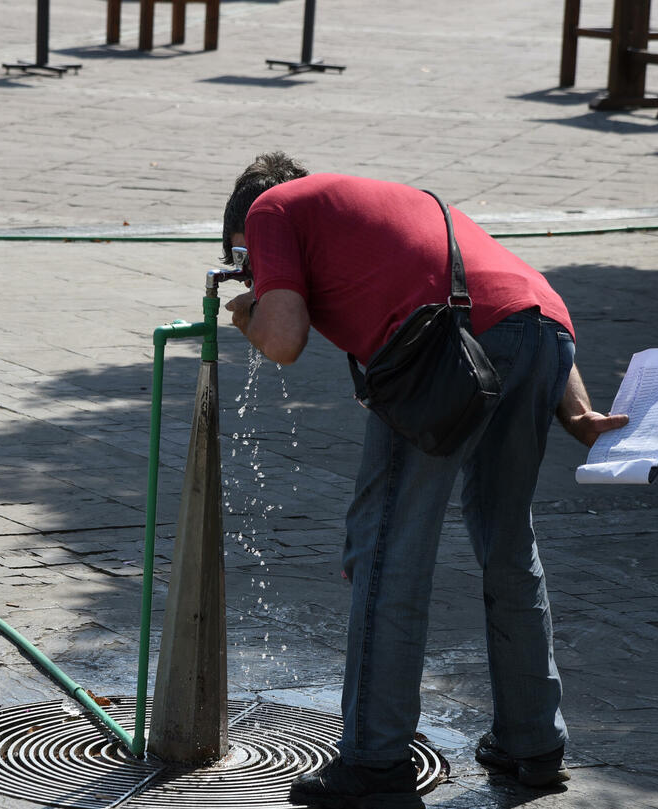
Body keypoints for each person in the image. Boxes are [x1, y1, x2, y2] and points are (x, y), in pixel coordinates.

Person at [221, 153, 628, 809]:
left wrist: (250, 313)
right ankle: (533, 743)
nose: (253, 270)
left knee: (387, 546)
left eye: (248, 260)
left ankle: (376, 760)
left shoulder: (272, 208)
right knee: (506, 537)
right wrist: (576, 412)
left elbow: (285, 336)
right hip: (545, 332)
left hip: (445, 347)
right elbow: (522, 297)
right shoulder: (374, 206)